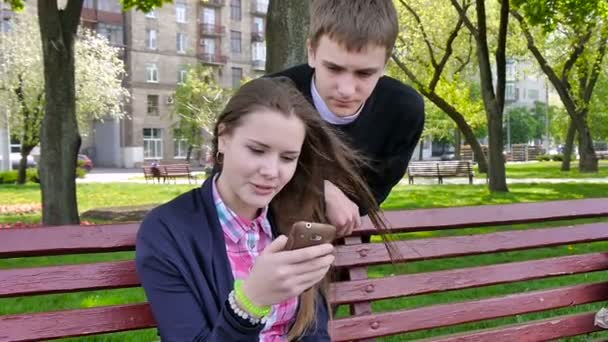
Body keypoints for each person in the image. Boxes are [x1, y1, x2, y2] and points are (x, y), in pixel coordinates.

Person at [135, 77, 388, 341]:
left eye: (288, 158)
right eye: (257, 150)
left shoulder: (296, 217)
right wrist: (250, 303)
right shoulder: (167, 231)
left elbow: (314, 331)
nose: (271, 172)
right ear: (223, 138)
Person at [271, 0, 425, 237]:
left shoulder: (403, 111)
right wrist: (321, 189)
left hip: (345, 245)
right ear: (311, 52)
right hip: (260, 239)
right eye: (333, 69)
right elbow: (232, 174)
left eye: (364, 73)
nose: (346, 89)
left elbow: (369, 196)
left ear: (385, 64)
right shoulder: (269, 97)